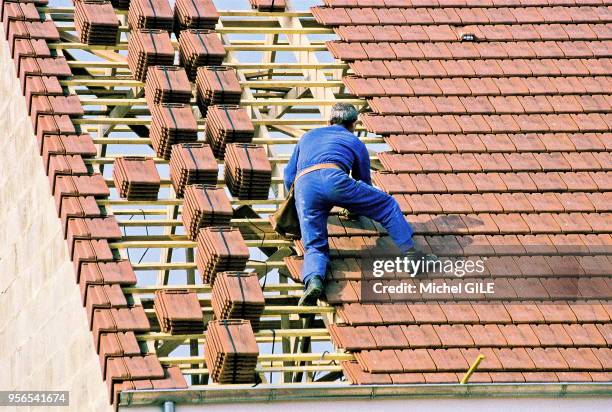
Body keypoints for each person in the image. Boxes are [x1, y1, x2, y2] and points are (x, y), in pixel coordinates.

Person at [284, 103, 435, 307]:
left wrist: (299, 204)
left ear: (329, 121)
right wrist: (353, 209)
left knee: (314, 245)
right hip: (334, 178)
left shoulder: (307, 137)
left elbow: (288, 176)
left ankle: (313, 280)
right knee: (387, 205)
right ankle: (412, 255)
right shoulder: (354, 142)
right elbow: (363, 181)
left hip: (304, 187)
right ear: (353, 125)